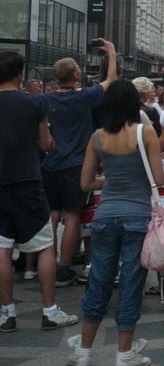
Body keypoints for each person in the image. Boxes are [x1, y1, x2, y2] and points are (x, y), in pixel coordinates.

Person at [67, 79, 164, 366]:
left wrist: (109, 180)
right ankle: (124, 353)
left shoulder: (97, 137)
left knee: (99, 281)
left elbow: (85, 183)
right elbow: (158, 179)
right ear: (135, 103)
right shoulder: (145, 133)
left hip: (105, 216)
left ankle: (83, 351)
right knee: (132, 283)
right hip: (136, 217)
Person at [0, 51, 78, 335]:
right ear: (20, 74)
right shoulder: (35, 103)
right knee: (45, 245)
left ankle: (7, 313)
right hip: (28, 181)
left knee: (2, 249)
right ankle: (49, 310)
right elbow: (45, 143)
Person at [42, 39, 118, 287]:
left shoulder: (46, 100)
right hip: (76, 163)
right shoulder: (84, 97)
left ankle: (47, 261)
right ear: (76, 74)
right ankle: (64, 267)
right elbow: (110, 82)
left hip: (50, 163)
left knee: (52, 215)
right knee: (73, 215)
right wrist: (112, 53)